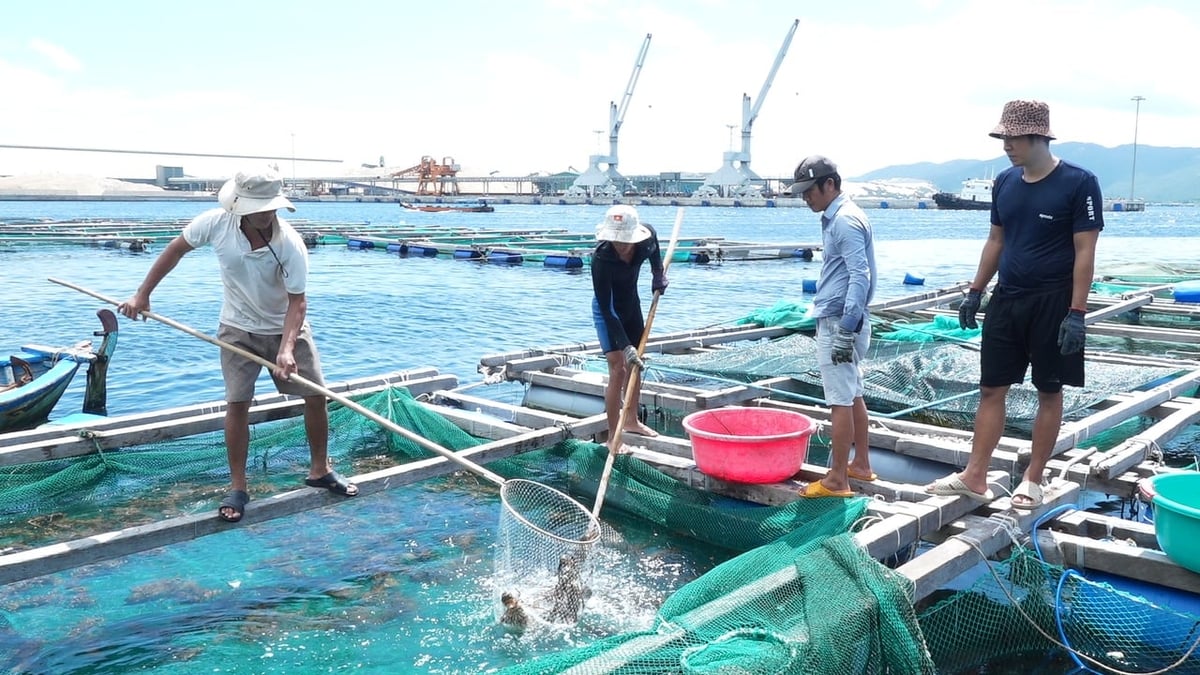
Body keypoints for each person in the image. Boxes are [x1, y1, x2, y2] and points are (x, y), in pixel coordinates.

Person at [118, 168, 357, 523]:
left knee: (316, 394)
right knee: (237, 403)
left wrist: (287, 348)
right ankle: (238, 487)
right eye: (260, 208)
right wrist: (142, 294)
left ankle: (319, 470)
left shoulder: (289, 244)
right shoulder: (215, 224)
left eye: (271, 207)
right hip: (236, 328)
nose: (267, 214)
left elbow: (298, 303)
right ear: (239, 206)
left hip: (284, 327)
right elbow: (175, 250)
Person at [926, 99, 1103, 509]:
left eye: (1014, 137)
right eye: (1003, 137)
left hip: (1055, 302)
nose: (1007, 145)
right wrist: (975, 290)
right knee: (991, 387)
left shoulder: (1079, 182)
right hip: (1007, 298)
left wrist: (1077, 313)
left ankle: (1033, 479)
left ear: (1039, 137)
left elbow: (1085, 251)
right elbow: (996, 240)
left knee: (1048, 389)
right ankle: (975, 476)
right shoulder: (1005, 182)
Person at [787, 155, 877, 498]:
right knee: (852, 393)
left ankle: (838, 478)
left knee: (839, 400)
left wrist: (847, 327)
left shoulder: (844, 221)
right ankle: (861, 465)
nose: (805, 198)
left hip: (841, 319)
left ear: (830, 184)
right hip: (846, 317)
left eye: (810, 190)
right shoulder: (841, 217)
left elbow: (860, 275)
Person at [591, 204, 667, 453]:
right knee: (618, 369)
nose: (621, 245)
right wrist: (625, 346)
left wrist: (657, 273)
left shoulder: (644, 242)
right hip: (608, 311)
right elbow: (606, 308)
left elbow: (653, 236)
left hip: (632, 306)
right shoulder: (601, 258)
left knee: (636, 364)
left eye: (624, 241)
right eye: (616, 240)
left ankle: (632, 421)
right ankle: (614, 436)